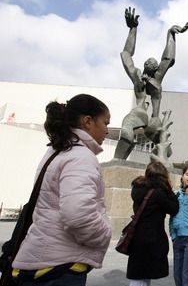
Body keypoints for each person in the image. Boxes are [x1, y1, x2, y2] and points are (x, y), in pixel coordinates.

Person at [11, 94, 112, 286]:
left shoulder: (56, 151)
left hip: (41, 259)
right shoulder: (81, 156)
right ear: (88, 121)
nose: (107, 130)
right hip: (60, 268)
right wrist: (105, 234)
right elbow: (78, 214)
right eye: (105, 122)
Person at [114, 6, 188, 160]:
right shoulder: (137, 75)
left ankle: (161, 169)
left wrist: (171, 34)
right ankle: (118, 161)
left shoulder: (157, 78)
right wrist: (133, 29)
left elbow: (167, 59)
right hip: (140, 112)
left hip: (154, 118)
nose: (150, 62)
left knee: (165, 149)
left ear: (155, 69)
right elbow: (126, 54)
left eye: (153, 62)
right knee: (127, 128)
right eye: (148, 61)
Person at [126, 161, 180, 286]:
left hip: (137, 237)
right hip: (151, 239)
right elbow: (174, 208)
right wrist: (169, 189)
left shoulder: (137, 188)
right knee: (143, 276)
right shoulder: (159, 193)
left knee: (140, 275)